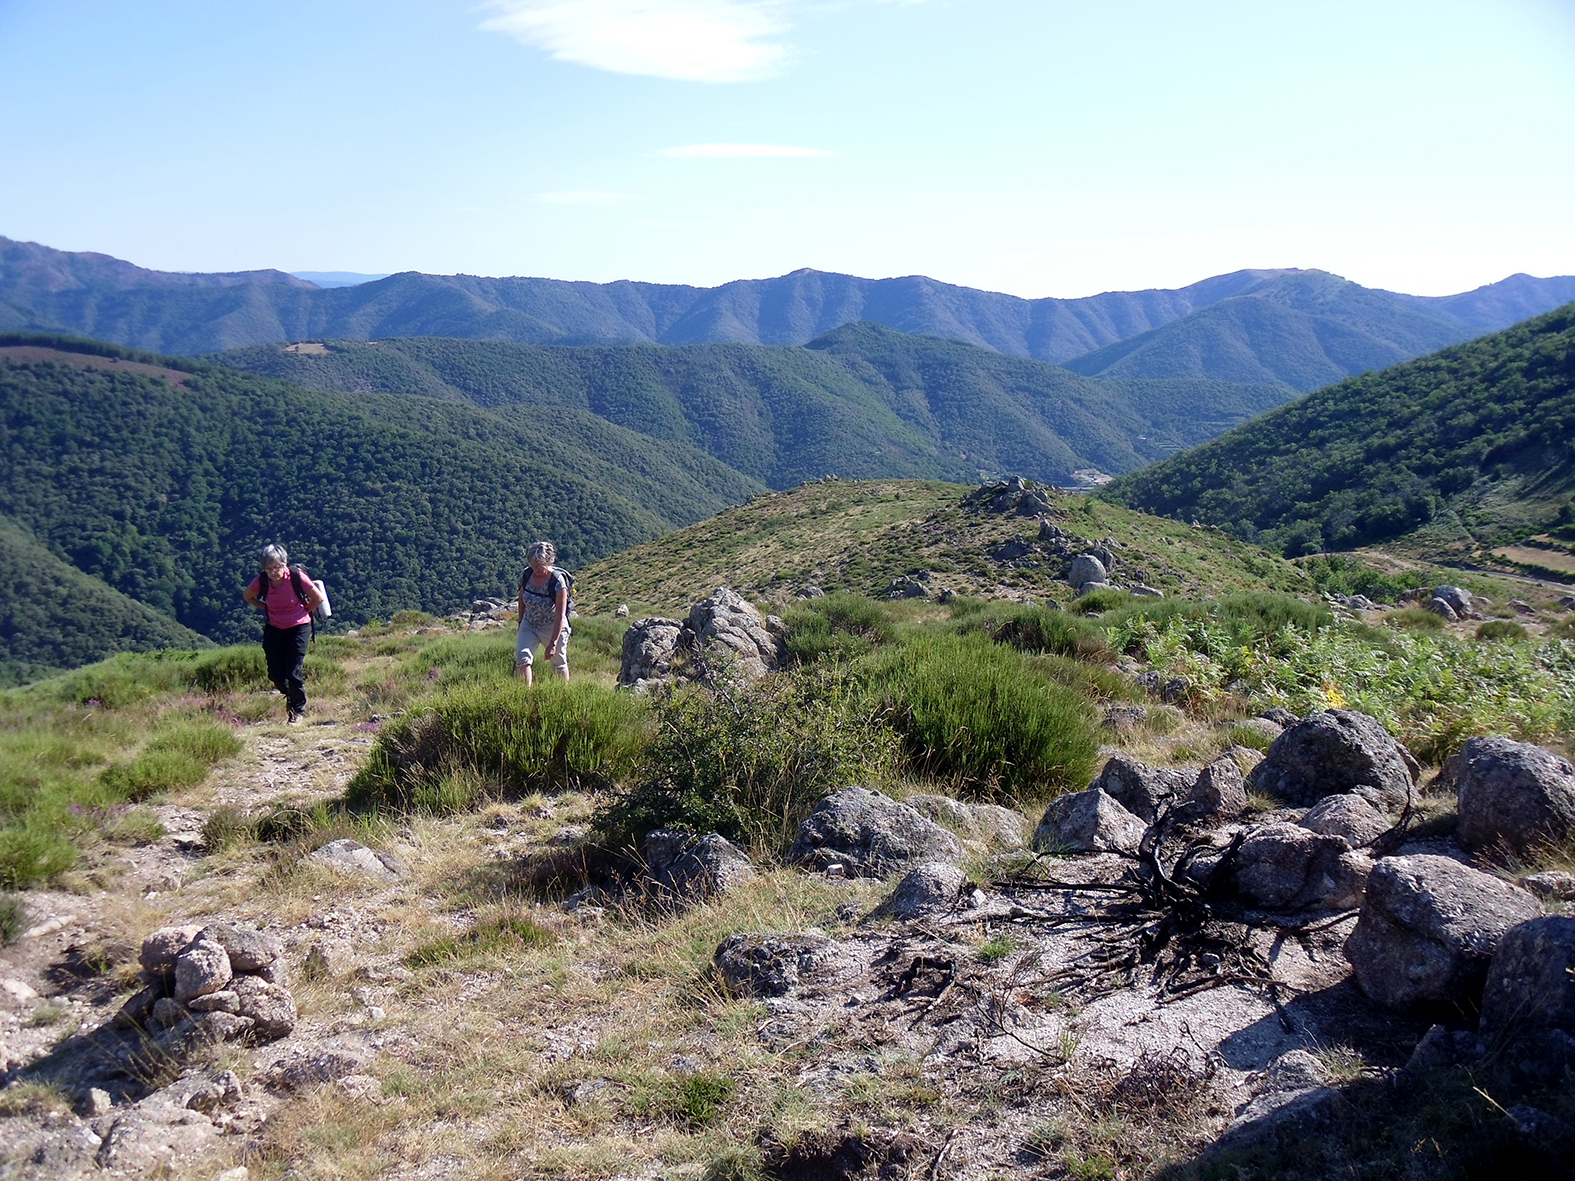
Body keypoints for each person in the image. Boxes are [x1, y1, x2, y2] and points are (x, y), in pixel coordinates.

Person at [242, 544, 325, 724]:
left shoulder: (296, 577)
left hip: (299, 627)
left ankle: (297, 712)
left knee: (293, 670)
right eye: (269, 568)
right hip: (274, 627)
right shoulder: (261, 581)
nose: (274, 571)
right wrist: (267, 608)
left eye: (277, 566)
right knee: (276, 674)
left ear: (284, 564)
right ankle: (291, 694)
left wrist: (304, 611)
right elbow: (248, 596)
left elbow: (318, 598)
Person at [515, 540, 570, 685]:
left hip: (552, 625)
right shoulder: (527, 575)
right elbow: (521, 598)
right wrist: (521, 622)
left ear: (549, 561)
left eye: (539, 565)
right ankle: (522, 695)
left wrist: (553, 643)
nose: (536, 569)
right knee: (522, 658)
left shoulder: (557, 582)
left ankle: (562, 695)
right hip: (529, 623)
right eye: (533, 564)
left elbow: (560, 615)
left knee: (558, 663)